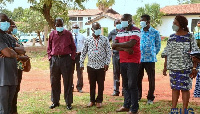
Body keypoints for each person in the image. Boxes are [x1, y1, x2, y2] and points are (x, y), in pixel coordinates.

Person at [162, 15, 199, 114]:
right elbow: (167, 52)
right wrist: (165, 66)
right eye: (173, 23)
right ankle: (173, 110)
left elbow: (196, 54)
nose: (173, 25)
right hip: (173, 68)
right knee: (174, 88)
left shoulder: (189, 37)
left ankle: (184, 110)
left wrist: (194, 68)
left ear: (181, 25)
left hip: (186, 68)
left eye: (175, 23)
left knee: (185, 89)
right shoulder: (171, 37)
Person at [112, 14, 141, 114]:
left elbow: (131, 44)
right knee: (125, 84)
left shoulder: (136, 30)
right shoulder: (120, 32)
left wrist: (119, 45)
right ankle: (126, 105)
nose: (122, 22)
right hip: (123, 60)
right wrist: (124, 48)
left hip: (133, 61)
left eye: (124, 20)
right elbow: (113, 46)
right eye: (121, 20)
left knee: (132, 84)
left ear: (129, 20)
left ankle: (134, 108)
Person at [80, 22, 111, 108]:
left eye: (99, 28)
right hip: (91, 66)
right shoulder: (87, 39)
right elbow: (83, 52)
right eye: (96, 28)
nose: (98, 30)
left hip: (101, 66)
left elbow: (108, 52)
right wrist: (81, 63)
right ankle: (92, 100)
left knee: (101, 84)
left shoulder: (105, 39)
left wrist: (107, 63)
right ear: (92, 29)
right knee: (92, 84)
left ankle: (99, 100)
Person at [47, 17, 76, 110]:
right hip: (54, 60)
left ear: (63, 25)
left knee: (68, 81)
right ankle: (55, 101)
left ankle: (68, 102)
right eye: (58, 25)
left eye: (61, 25)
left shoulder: (68, 34)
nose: (59, 26)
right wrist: (50, 57)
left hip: (66, 60)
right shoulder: (52, 34)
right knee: (54, 81)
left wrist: (72, 59)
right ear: (55, 25)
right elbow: (49, 47)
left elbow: (73, 48)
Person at [137, 14, 161, 104]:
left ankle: (150, 97)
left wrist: (153, 53)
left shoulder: (155, 32)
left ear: (148, 22)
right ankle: (138, 96)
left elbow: (158, 45)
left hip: (150, 59)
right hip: (139, 59)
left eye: (142, 20)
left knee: (151, 79)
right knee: (138, 78)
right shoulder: (139, 32)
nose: (141, 22)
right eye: (140, 20)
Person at [7, 20, 29, 114]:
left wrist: (17, 50)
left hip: (18, 67)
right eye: (12, 26)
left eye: (14, 26)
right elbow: (9, 52)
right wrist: (18, 53)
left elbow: (22, 49)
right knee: (9, 91)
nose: (14, 28)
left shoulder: (14, 37)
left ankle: (14, 110)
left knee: (16, 90)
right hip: (9, 68)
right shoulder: (5, 38)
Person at [0, 13, 18, 114]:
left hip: (11, 76)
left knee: (8, 106)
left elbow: (21, 50)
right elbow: (6, 52)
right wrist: (11, 52)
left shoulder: (8, 36)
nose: (6, 23)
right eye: (3, 21)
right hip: (2, 78)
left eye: (7, 21)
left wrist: (12, 51)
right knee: (3, 108)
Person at [108, 19, 123, 96]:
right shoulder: (112, 32)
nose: (118, 24)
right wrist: (110, 51)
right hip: (115, 55)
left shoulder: (124, 31)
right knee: (116, 73)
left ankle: (124, 90)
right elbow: (107, 42)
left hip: (124, 54)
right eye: (117, 23)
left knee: (124, 73)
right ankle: (116, 90)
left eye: (120, 23)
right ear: (114, 24)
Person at [71, 23, 85, 93]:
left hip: (79, 55)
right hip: (71, 55)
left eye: (77, 28)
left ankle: (79, 87)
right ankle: (71, 86)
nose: (75, 29)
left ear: (79, 28)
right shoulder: (70, 36)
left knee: (79, 72)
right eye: (74, 28)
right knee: (70, 72)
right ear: (72, 29)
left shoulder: (82, 36)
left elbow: (85, 46)